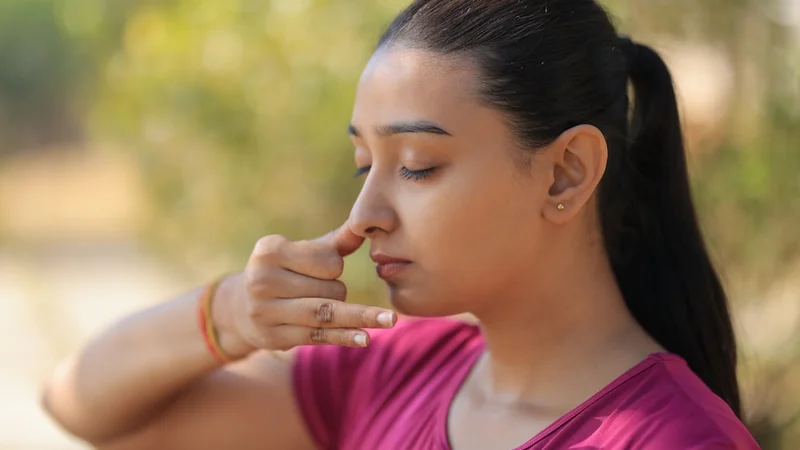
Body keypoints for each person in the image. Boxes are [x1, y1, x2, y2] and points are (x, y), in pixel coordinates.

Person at [42, 1, 762, 449]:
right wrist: (230, 313)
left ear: (566, 172)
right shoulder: (391, 369)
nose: (365, 217)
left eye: (417, 165)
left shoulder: (675, 439)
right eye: (364, 164)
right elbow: (85, 406)